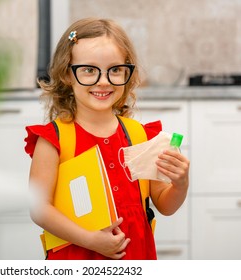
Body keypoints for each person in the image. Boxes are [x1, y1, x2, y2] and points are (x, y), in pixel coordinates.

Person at [24, 17, 190, 260]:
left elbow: (165, 205)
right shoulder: (54, 140)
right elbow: (39, 209)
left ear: (127, 72)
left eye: (115, 70)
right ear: (67, 74)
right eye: (89, 70)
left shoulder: (141, 136)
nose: (104, 81)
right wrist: (90, 240)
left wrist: (180, 184)